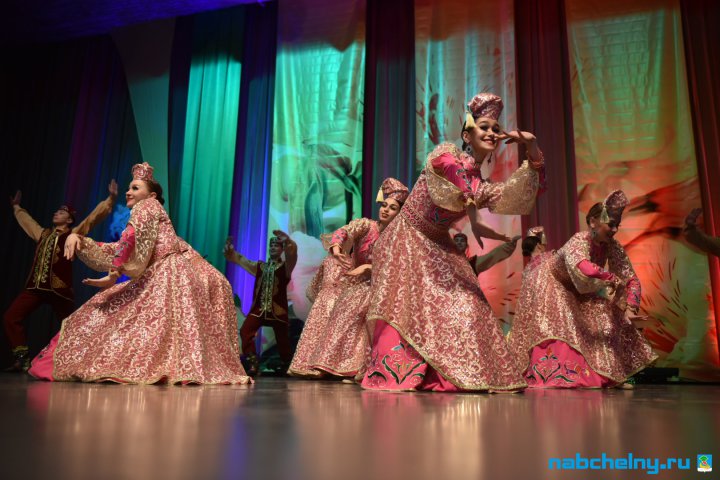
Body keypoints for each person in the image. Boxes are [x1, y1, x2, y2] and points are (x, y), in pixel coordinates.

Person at [361, 92, 545, 392]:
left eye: (496, 129)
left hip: (438, 242)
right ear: (467, 134)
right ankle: (406, 371)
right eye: (484, 127)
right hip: (407, 238)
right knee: (407, 308)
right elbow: (453, 172)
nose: (491, 133)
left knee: (471, 303)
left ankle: (464, 372)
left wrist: (532, 146)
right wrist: (473, 197)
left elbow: (519, 195)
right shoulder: (445, 154)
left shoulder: (481, 185)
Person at [28, 163, 250, 384]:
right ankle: (180, 369)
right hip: (177, 273)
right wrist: (81, 240)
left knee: (115, 313)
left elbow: (128, 238)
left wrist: (113, 273)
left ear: (151, 195)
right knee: (161, 328)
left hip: (169, 274)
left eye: (135, 188)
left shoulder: (146, 206)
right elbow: (122, 246)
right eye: (128, 187)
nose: (128, 192)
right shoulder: (155, 216)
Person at [507, 191, 657, 388]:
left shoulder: (612, 246)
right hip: (552, 282)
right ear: (593, 222)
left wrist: (631, 307)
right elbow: (584, 266)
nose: (614, 230)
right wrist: (610, 278)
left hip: (581, 287)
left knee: (606, 316)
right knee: (563, 323)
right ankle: (558, 375)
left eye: (617, 225)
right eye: (610, 224)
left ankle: (610, 375)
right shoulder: (579, 240)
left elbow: (631, 278)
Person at [289, 178, 409, 379]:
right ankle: (323, 363)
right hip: (357, 282)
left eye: (393, 208)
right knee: (337, 295)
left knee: (359, 302)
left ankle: (357, 366)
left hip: (382, 285)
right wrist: (337, 247)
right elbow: (345, 231)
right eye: (384, 205)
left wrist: (368, 268)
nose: (386, 210)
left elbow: (397, 268)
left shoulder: (400, 239)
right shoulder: (367, 226)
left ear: (400, 213)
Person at [3, 181, 117, 372]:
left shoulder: (73, 233)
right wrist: (16, 207)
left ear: (69, 219)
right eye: (56, 211)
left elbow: (92, 218)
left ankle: (80, 361)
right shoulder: (43, 234)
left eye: (61, 212)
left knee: (72, 327)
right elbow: (27, 222)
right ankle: (22, 359)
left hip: (60, 290)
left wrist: (110, 199)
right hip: (35, 288)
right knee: (10, 317)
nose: (56, 213)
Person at [225, 231, 297, 376]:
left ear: (282, 249)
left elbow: (292, 256)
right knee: (245, 331)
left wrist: (289, 242)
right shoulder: (260, 266)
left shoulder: (285, 268)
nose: (273, 248)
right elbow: (242, 260)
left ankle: (287, 364)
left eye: (277, 246)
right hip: (258, 309)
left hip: (278, 311)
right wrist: (231, 252)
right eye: (271, 246)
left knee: (283, 340)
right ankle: (253, 362)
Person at [452, 232, 520, 275]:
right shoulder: (447, 261)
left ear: (467, 245)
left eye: (462, 241)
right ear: (451, 243)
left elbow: (493, 255)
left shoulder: (473, 263)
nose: (459, 242)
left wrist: (510, 244)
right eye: (456, 241)